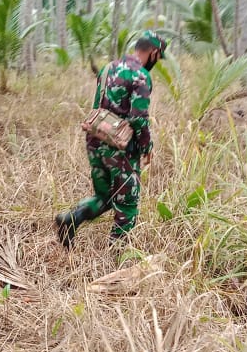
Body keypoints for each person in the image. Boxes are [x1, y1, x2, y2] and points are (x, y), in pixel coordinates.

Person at [54, 31, 167, 247]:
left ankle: (71, 218)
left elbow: (99, 106)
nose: (157, 61)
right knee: (127, 204)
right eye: (159, 56)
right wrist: (147, 147)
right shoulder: (141, 75)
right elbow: (138, 118)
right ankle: (117, 255)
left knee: (104, 196)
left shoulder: (108, 67)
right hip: (120, 148)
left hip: (95, 139)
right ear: (154, 52)